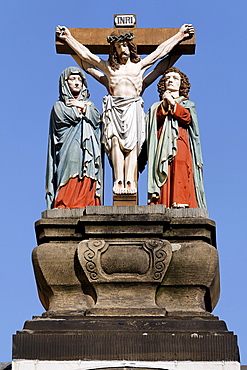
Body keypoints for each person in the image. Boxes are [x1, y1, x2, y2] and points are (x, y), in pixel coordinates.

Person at [56, 25, 194, 194]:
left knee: (133, 146)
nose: (123, 49)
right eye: (119, 46)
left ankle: (130, 181)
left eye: (125, 45)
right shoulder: (109, 68)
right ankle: (118, 180)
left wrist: (179, 36)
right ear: (114, 50)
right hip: (114, 107)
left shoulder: (138, 66)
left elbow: (160, 53)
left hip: (133, 107)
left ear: (131, 46)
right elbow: (86, 56)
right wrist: (68, 38)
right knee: (114, 142)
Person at [146, 67, 206, 209]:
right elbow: (153, 122)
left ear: (181, 84)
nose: (171, 81)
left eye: (175, 78)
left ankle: (180, 201)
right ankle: (164, 203)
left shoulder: (188, 104)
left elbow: (187, 118)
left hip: (180, 140)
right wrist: (165, 104)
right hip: (161, 145)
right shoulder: (156, 106)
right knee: (163, 168)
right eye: (167, 78)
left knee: (179, 165)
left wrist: (173, 104)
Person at [46, 66, 103, 209]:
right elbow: (66, 118)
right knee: (70, 167)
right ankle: (65, 203)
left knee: (88, 171)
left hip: (90, 147)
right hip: (69, 146)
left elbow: (97, 120)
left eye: (80, 79)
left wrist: (85, 107)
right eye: (72, 79)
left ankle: (88, 202)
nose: (77, 82)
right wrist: (81, 109)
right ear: (65, 83)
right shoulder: (59, 106)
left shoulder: (90, 105)